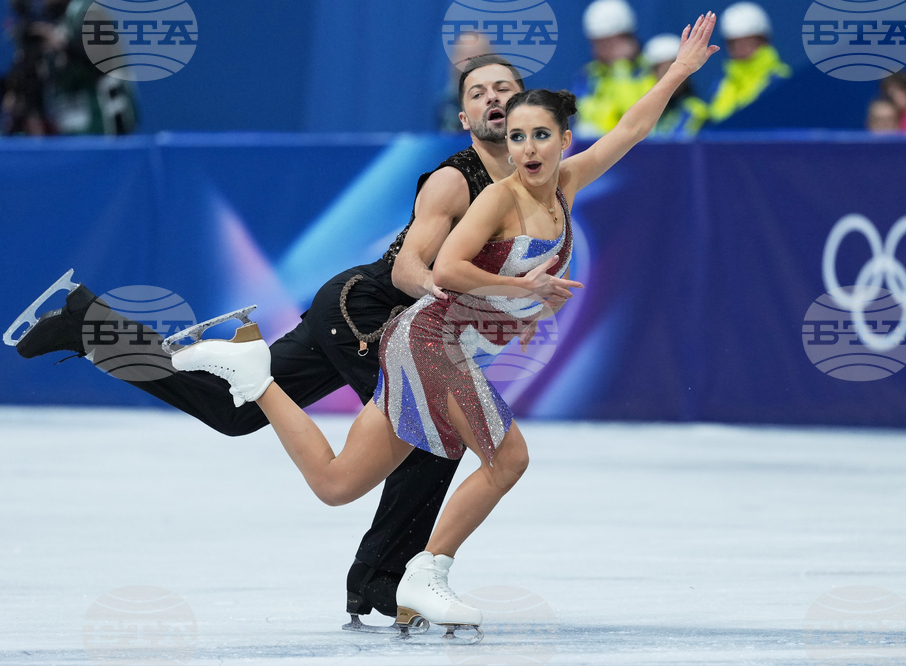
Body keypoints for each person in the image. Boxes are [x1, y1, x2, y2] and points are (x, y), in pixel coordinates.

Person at [168, 12, 721, 633]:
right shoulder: (491, 196)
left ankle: (255, 376)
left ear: (566, 139)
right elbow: (449, 268)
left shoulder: (567, 184)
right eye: (516, 138)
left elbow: (632, 128)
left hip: (431, 342)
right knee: (507, 458)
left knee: (336, 483)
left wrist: (676, 71)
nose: (528, 149)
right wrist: (522, 290)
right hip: (429, 339)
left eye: (540, 136)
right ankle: (426, 575)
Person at [8, 55, 525, 629]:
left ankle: (91, 327)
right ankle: (386, 584)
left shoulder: (531, 185)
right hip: (372, 314)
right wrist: (444, 291)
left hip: (355, 310)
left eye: (504, 88)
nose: (492, 98)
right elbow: (407, 267)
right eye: (479, 92)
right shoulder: (457, 179)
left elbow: (614, 145)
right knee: (433, 434)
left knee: (231, 412)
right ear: (463, 115)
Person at [573, 0, 657, 137]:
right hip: (593, 152)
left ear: (627, 38)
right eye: (597, 43)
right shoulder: (588, 75)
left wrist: (621, 69)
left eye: (608, 43)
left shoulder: (651, 70)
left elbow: (640, 117)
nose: (601, 50)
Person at [703, 1, 790, 126]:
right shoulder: (721, 85)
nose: (740, 48)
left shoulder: (780, 78)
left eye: (748, 41)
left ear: (763, 41)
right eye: (734, 43)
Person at [643, 33, 707, 137]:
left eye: (676, 69)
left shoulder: (697, 111)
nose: (670, 77)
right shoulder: (643, 110)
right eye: (663, 69)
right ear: (653, 73)